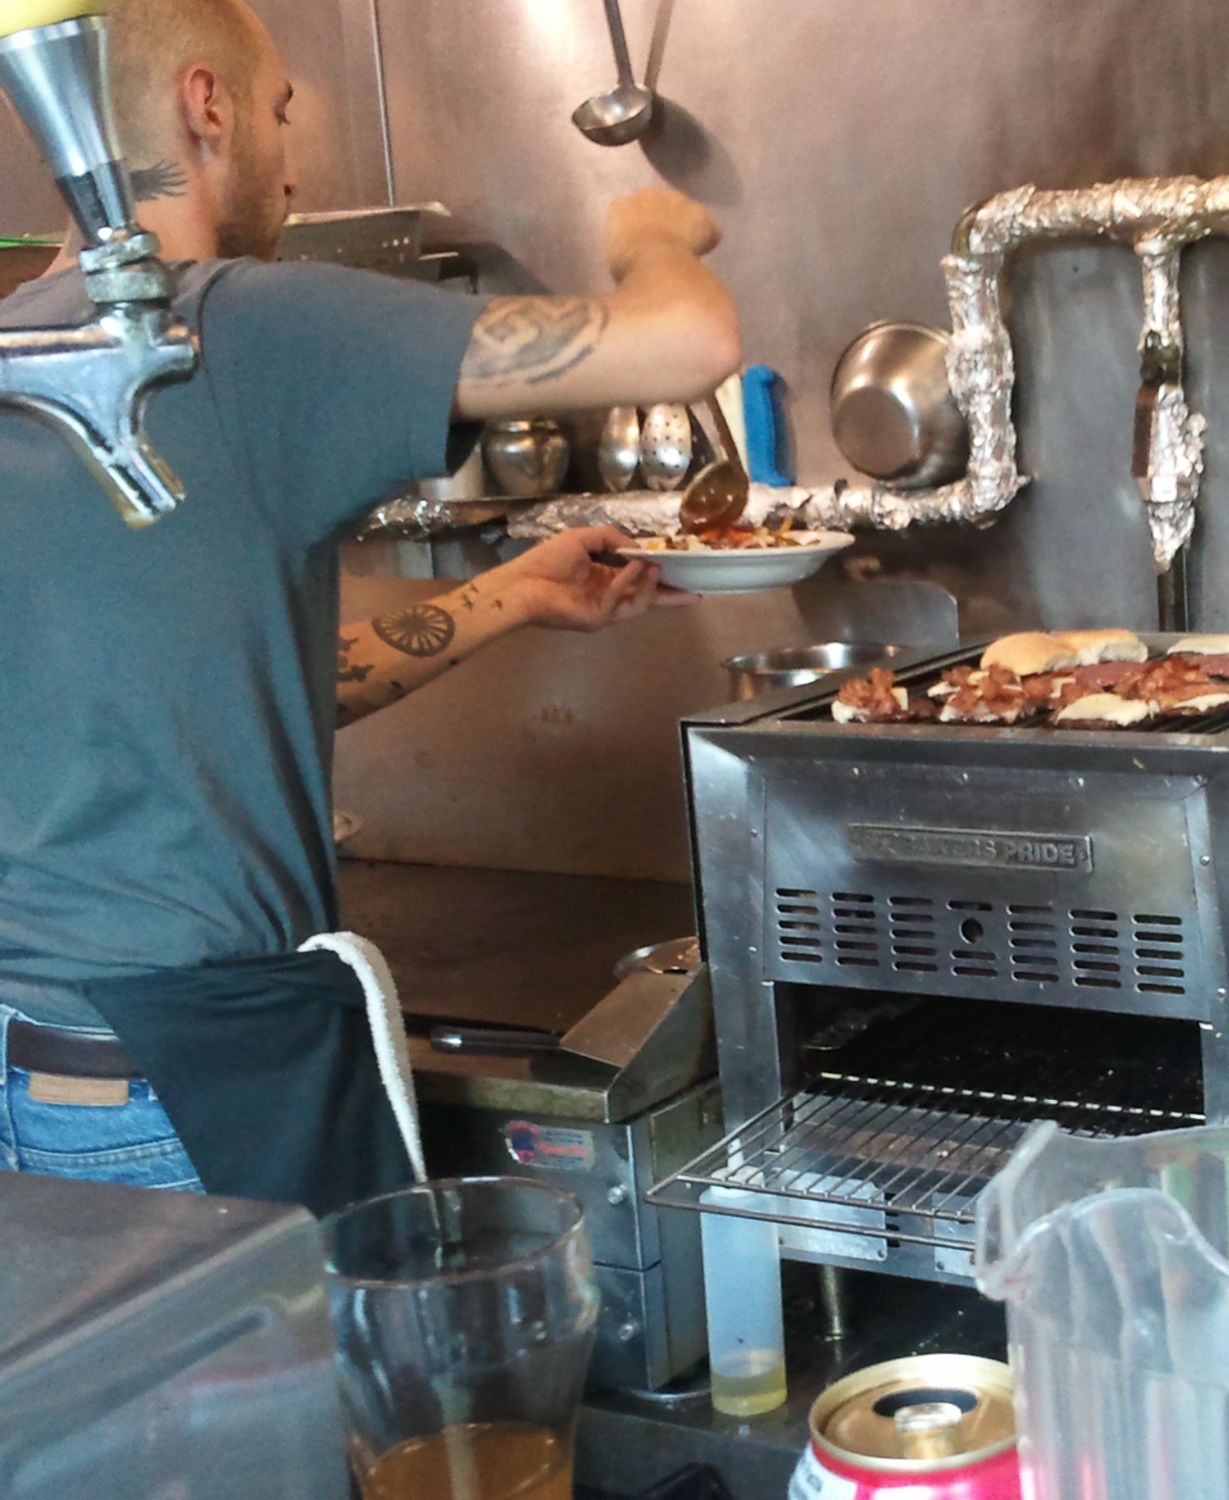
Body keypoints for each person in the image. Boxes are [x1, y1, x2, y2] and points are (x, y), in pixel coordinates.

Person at [0, 0, 740, 1214]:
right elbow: (684, 341)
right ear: (206, 105)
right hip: (198, 1084)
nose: (293, 165)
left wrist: (505, 597)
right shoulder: (223, 324)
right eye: (282, 112)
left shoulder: (28, 349)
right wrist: (652, 238)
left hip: (43, 1071)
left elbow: (220, 697)